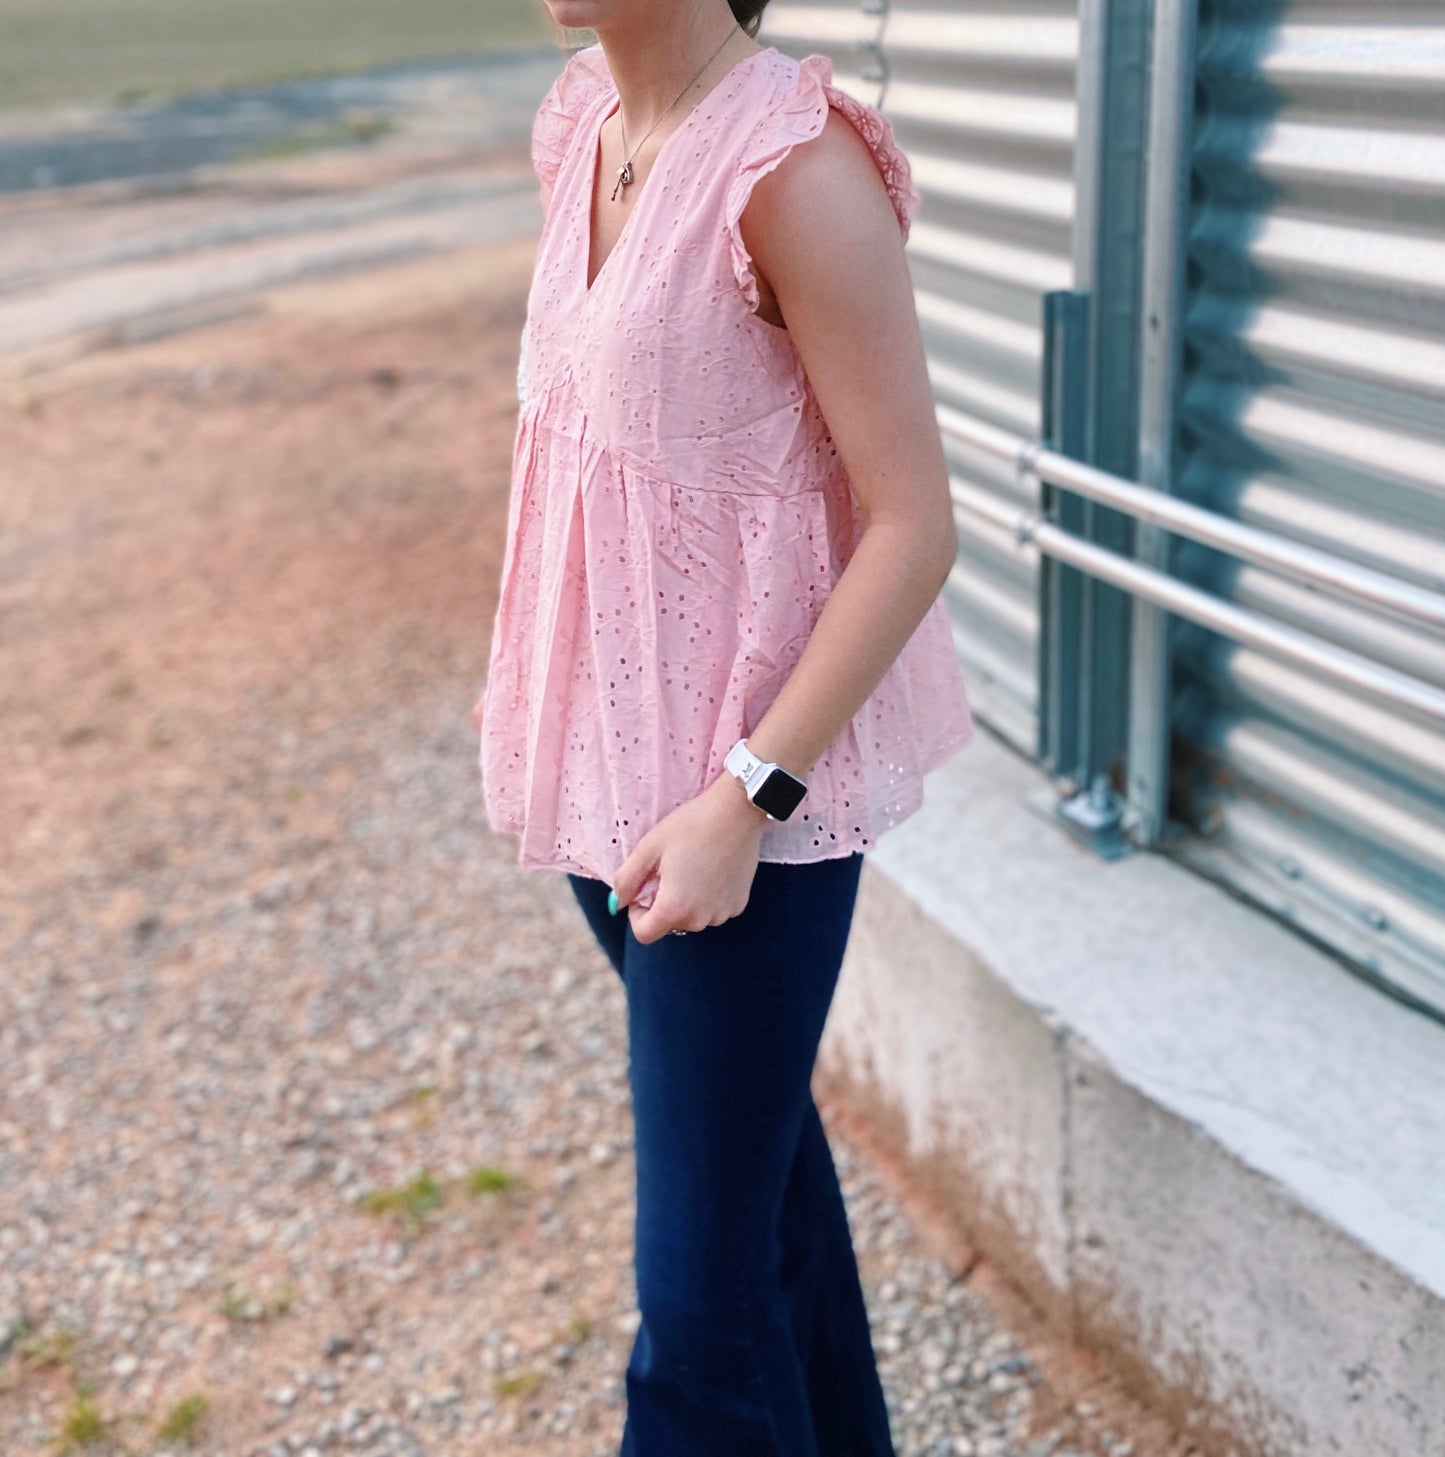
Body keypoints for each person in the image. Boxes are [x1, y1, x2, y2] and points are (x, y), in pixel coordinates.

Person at [473, 0, 975, 1449]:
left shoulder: (794, 170)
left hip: (745, 819)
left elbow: (912, 522)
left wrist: (741, 800)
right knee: (761, 1203)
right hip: (601, 782)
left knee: (693, 1315)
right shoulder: (579, 121)